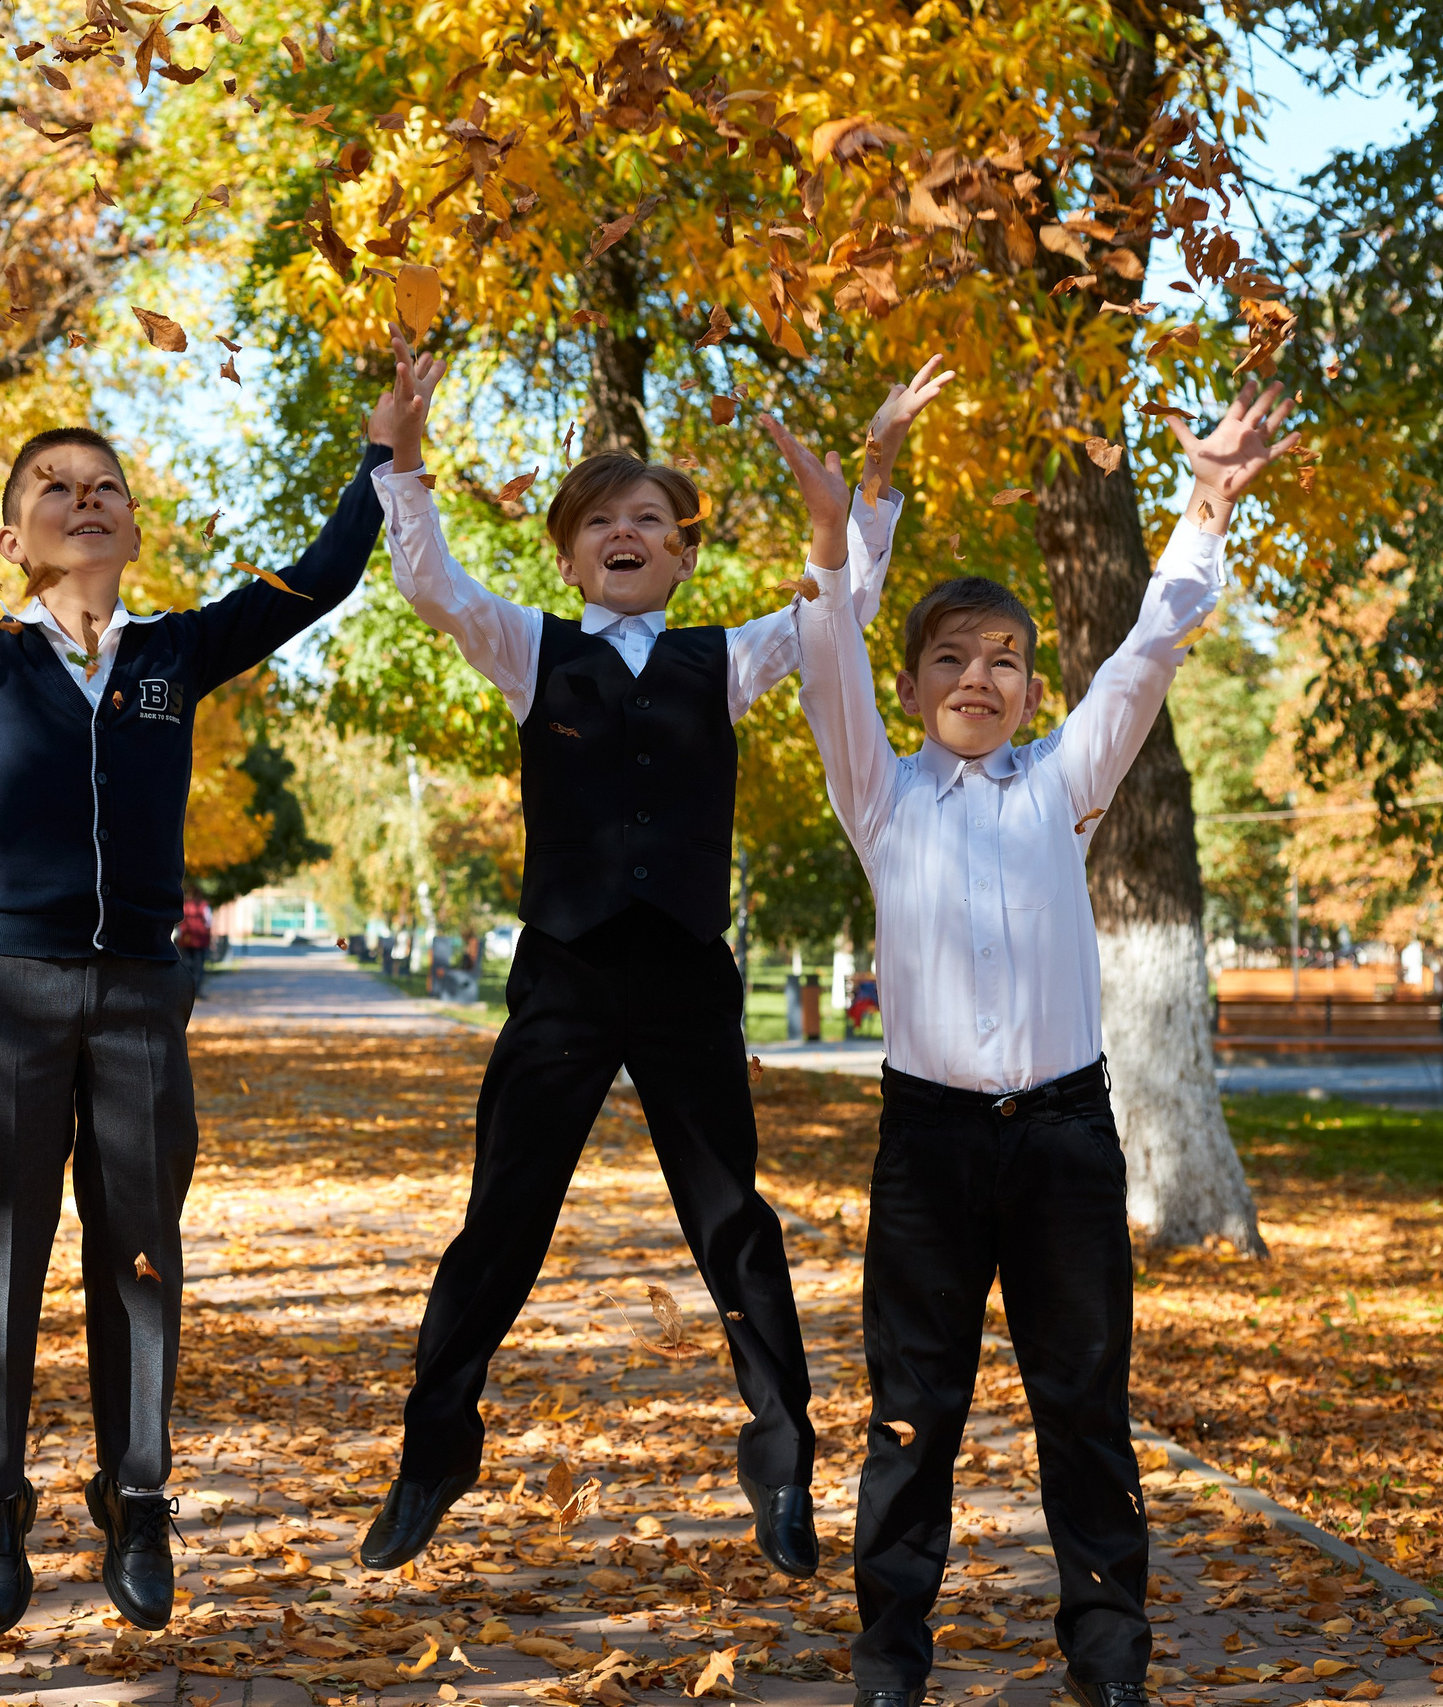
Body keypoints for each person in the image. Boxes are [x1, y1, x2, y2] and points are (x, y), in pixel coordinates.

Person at [0, 371, 412, 1635]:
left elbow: (322, 574)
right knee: (3, 1247)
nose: (81, 504)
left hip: (141, 994)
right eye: (53, 490)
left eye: (105, 491)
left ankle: (136, 1497)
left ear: (133, 528)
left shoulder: (175, 652)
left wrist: (378, 456)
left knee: (139, 1252)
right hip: (8, 992)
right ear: (10, 537)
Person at [354, 335, 950, 1580]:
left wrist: (871, 488)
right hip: (564, 978)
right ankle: (433, 1448)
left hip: (682, 974)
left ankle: (779, 1458)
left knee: (733, 1221)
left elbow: (836, 613)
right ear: (569, 553)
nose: (624, 532)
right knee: (499, 1221)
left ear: (681, 552)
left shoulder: (723, 658)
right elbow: (431, 587)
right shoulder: (529, 648)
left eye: (649, 520)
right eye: (600, 522)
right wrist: (401, 463)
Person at [773, 381, 1298, 1707]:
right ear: (913, 685)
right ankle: (891, 1654)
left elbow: (1148, 652)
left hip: (1065, 1136)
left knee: (1085, 1402)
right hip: (929, 1146)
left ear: (1026, 682)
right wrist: (840, 531)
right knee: (913, 1414)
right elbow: (828, 649)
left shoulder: (1066, 779)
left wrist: (1206, 503)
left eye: (1003, 655)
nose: (979, 676)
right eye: (950, 656)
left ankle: (1108, 1656)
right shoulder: (877, 788)